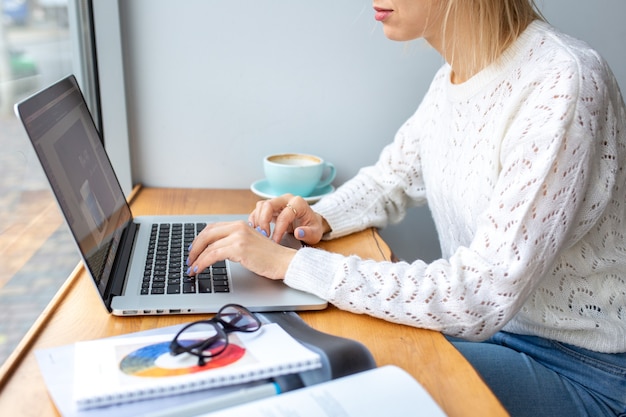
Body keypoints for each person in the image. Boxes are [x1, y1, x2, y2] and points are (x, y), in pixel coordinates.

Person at [186, 1, 626, 416]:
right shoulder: (454, 80)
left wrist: (296, 265)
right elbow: (390, 179)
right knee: (320, 351)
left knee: (337, 370)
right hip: (496, 336)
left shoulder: (562, 80)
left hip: (584, 371)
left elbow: (480, 293)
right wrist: (319, 218)